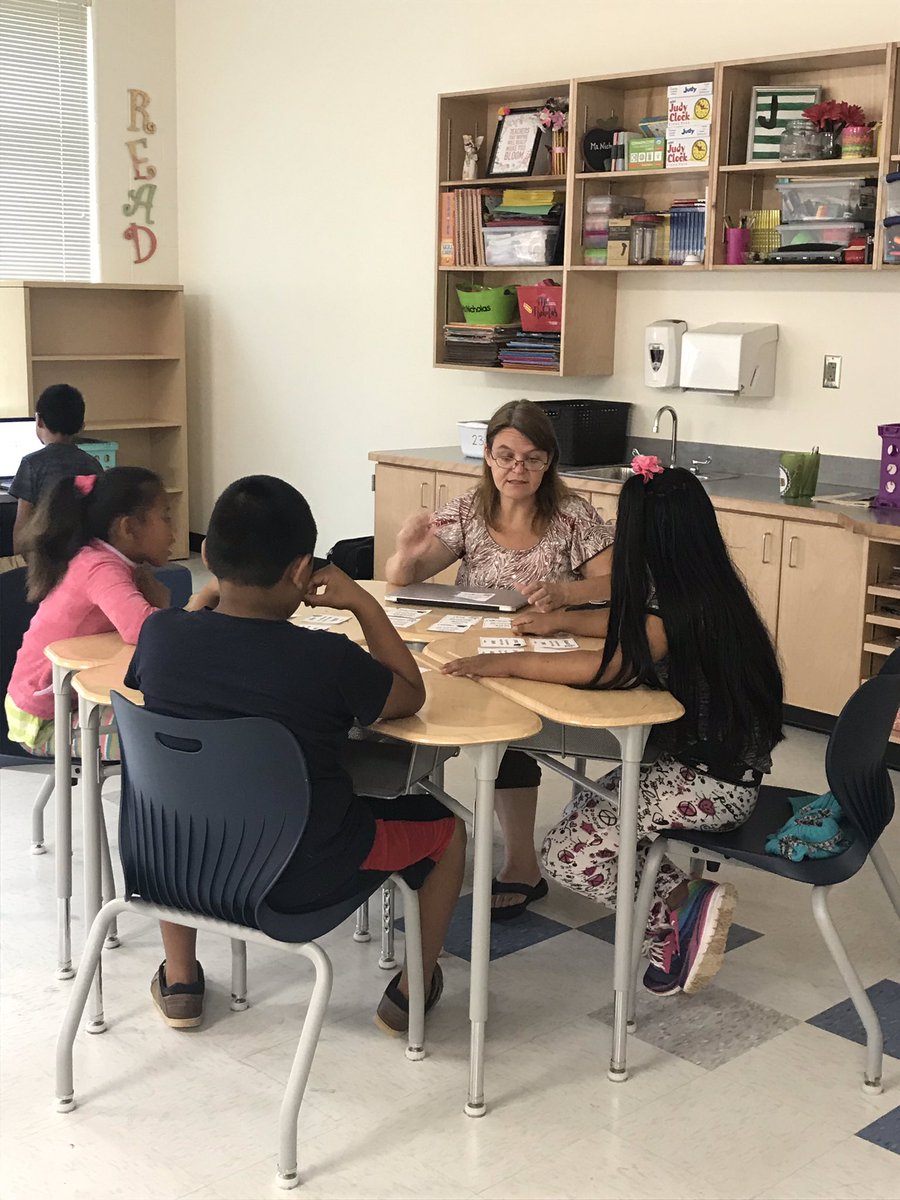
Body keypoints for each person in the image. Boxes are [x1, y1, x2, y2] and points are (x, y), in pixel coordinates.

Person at [124, 475, 465, 1034]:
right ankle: (411, 994)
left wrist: (198, 605)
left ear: (207, 554)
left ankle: (182, 980)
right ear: (302, 570)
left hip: (169, 864)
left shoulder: (160, 636)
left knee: (183, 800)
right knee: (449, 831)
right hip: (294, 878)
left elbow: (169, 647)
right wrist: (359, 601)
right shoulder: (325, 657)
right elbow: (410, 691)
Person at [443, 460, 784, 996]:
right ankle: (681, 900)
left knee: (567, 855)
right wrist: (561, 621)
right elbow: (633, 622)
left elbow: (608, 666)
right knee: (586, 813)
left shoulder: (677, 609)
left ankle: (673, 918)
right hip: (716, 769)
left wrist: (502, 662)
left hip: (708, 785)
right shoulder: (702, 588)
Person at [385, 399, 615, 920]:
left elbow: (616, 581)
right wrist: (405, 550)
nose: (518, 469)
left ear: (549, 462)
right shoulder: (469, 511)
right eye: (507, 456)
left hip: (543, 652)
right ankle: (418, 834)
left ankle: (521, 865)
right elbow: (403, 577)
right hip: (474, 653)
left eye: (532, 459)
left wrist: (566, 593)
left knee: (510, 736)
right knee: (412, 704)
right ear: (487, 456)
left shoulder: (572, 514)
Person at [4, 467, 200, 757]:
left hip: (60, 702)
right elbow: (142, 630)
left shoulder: (103, 559)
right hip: (45, 722)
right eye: (166, 517)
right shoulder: (100, 568)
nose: (173, 530)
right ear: (128, 528)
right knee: (165, 736)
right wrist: (186, 605)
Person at [9, 384, 105, 556]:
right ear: (81, 426)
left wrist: (20, 566)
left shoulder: (32, 464)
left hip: (44, 560)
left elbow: (22, 525)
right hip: (83, 556)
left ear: (38, 420)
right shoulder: (92, 464)